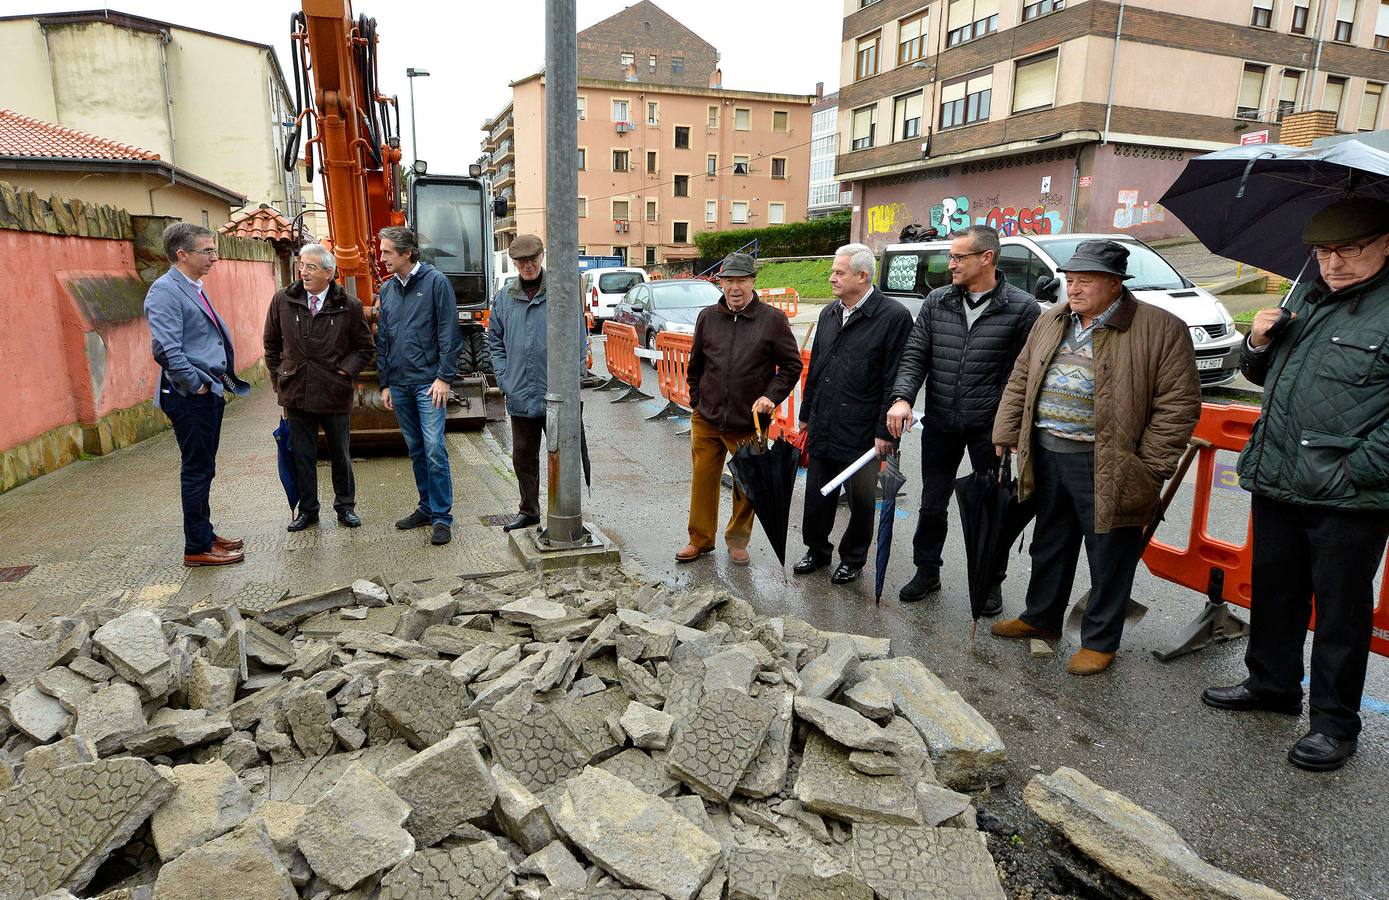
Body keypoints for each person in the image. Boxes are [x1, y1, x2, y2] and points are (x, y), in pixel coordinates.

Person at [1203, 198, 1389, 772]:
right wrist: (1257, 341)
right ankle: (1273, 685)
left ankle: (1334, 725)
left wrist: (1355, 470)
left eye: (1350, 250)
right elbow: (1260, 375)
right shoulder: (1305, 296)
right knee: (1276, 593)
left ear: (1386, 243)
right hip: (1279, 478)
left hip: (1348, 494)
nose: (1333, 263)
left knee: (1340, 613)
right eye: (1323, 252)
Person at [990, 239, 1200, 675]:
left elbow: (1178, 406)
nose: (1075, 288)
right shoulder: (1052, 320)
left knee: (1109, 554)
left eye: (1085, 280)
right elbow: (1022, 376)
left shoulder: (1160, 328)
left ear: (1115, 284)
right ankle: (1040, 617)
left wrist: (1150, 466)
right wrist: (1008, 431)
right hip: (1046, 454)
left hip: (1108, 462)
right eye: (1070, 280)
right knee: (1049, 544)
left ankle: (1101, 640)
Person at [885, 225, 1040, 609]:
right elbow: (915, 354)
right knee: (932, 502)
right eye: (951, 257)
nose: (950, 264)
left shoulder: (1022, 308)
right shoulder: (938, 301)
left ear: (986, 258)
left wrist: (1010, 427)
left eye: (958, 257)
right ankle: (927, 570)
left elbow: (1024, 375)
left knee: (990, 507)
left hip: (991, 428)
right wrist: (903, 397)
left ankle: (989, 580)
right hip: (940, 421)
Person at [795, 243, 912, 584]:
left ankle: (853, 559)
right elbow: (816, 367)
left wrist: (885, 432)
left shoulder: (892, 317)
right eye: (832, 271)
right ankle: (817, 549)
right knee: (818, 493)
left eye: (839, 272)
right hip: (824, 421)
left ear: (862, 276)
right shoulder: (829, 313)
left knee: (860, 500)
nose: (831, 277)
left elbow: (895, 378)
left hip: (863, 430)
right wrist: (806, 412)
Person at [678, 252, 803, 566]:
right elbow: (696, 366)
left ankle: (737, 540)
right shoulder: (707, 317)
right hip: (706, 418)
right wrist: (697, 400)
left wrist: (771, 397)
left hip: (750, 423)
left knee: (746, 486)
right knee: (703, 480)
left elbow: (790, 366)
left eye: (741, 280)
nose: (734, 287)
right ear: (721, 283)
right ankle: (700, 540)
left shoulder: (772, 320)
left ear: (752, 281)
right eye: (728, 280)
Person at [143, 222, 251, 566]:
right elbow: (166, 349)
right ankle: (196, 547)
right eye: (207, 250)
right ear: (182, 254)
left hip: (206, 391)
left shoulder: (191, 285)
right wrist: (198, 384)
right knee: (196, 469)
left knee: (204, 467)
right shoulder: (165, 291)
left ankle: (205, 534)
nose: (215, 257)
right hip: (189, 395)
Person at [263, 243, 373, 532]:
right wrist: (280, 379)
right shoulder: (282, 300)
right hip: (296, 391)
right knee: (302, 454)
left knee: (340, 453)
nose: (304, 272)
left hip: (334, 392)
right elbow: (271, 345)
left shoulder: (348, 306)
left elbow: (364, 348)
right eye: (301, 265)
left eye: (310, 267)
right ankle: (308, 511)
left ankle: (345, 507)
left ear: (328, 272)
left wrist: (343, 372)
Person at [487, 234, 587, 532]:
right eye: (521, 261)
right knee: (523, 458)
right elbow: (495, 342)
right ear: (514, 263)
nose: (528, 266)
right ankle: (529, 511)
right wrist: (505, 379)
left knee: (564, 457)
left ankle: (564, 514)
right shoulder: (504, 298)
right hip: (520, 393)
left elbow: (578, 339)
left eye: (532, 259)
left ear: (542, 256)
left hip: (557, 393)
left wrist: (574, 379)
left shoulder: (561, 292)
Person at [375, 225, 461, 546]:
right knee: (416, 449)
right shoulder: (387, 289)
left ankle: (442, 517)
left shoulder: (436, 283)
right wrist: (385, 383)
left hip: (429, 384)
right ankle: (425, 507)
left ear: (407, 253)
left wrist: (443, 377)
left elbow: (449, 334)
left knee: (435, 449)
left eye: (387, 252)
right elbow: (383, 338)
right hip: (399, 384)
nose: (381, 257)